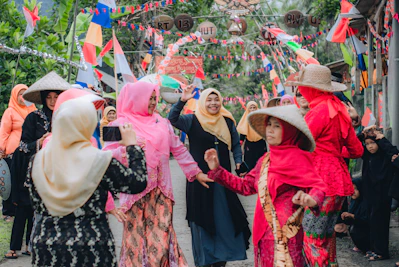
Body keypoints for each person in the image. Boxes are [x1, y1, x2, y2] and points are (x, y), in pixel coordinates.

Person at [26, 97, 147, 266]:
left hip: (47, 247)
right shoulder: (99, 160)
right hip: (91, 247)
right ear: (89, 124)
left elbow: (34, 198)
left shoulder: (37, 160)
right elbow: (137, 182)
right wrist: (132, 147)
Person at [204, 104, 327, 267]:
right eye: (269, 124)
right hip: (263, 233)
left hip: (287, 235)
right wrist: (218, 171)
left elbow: (319, 187)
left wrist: (310, 199)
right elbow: (246, 186)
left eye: (277, 126)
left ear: (289, 130)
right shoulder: (266, 160)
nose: (270, 129)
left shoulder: (299, 157)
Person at [104, 81, 210, 267]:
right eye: (149, 98)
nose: (153, 102)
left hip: (161, 191)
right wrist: (127, 148)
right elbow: (104, 158)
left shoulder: (162, 123)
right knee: (134, 242)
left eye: (154, 98)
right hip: (133, 193)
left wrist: (196, 172)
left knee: (160, 242)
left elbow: (178, 149)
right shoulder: (118, 124)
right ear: (137, 99)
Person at [288, 64, 364, 267]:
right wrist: (334, 152)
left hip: (319, 183)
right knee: (327, 238)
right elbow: (357, 151)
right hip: (338, 181)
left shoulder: (318, 112)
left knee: (312, 239)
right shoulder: (339, 110)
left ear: (310, 89)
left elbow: (301, 145)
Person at [168, 87, 251, 267]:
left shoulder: (227, 122)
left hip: (223, 179)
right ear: (203, 101)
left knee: (225, 218)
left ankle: (222, 259)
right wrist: (182, 101)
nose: (213, 103)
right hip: (200, 180)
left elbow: (236, 145)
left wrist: (238, 161)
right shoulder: (192, 120)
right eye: (209, 100)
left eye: (216, 99)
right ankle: (205, 261)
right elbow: (172, 119)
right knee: (202, 218)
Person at [5, 71, 69, 259]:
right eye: (48, 97)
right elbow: (23, 146)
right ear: (42, 98)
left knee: (43, 210)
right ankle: (14, 247)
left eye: (56, 97)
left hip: (56, 171)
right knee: (24, 208)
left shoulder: (65, 118)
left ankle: (32, 245)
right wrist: (39, 142)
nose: (52, 100)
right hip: (32, 171)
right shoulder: (33, 118)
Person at [359, 126, 398, 261]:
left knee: (380, 223)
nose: (370, 146)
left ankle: (382, 252)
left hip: (382, 195)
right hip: (370, 195)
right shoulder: (367, 156)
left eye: (373, 143)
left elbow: (393, 151)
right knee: (372, 223)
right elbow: (356, 145)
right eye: (367, 144)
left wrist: (381, 139)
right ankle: (375, 249)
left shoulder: (385, 156)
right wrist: (363, 134)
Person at [0, 84, 36, 221]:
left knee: (23, 181)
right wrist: (1, 149)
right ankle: (8, 211)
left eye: (25, 94)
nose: (22, 97)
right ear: (15, 95)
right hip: (12, 153)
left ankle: (22, 208)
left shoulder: (32, 110)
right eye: (20, 94)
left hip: (28, 153)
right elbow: (3, 132)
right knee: (10, 181)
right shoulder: (10, 111)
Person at [341, 178, 369, 253]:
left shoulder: (365, 202)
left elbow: (365, 220)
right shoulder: (354, 202)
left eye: (356, 189)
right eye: (351, 189)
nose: (353, 192)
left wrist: (352, 215)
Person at [237, 101, 266, 170]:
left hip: (260, 143)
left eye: (254, 107)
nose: (252, 109)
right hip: (249, 145)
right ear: (247, 109)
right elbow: (243, 132)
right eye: (251, 108)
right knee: (250, 165)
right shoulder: (246, 119)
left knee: (262, 164)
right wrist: (240, 145)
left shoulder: (260, 118)